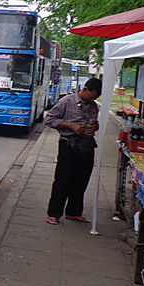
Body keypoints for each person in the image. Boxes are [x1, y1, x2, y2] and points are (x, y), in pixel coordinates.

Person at [44, 77, 102, 224]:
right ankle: (54, 213)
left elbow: (95, 123)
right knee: (63, 179)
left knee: (81, 180)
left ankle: (74, 212)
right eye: (91, 96)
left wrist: (95, 127)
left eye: (95, 98)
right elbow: (49, 119)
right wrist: (70, 125)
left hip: (86, 145)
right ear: (85, 89)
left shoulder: (94, 106)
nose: (92, 100)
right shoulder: (67, 101)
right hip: (68, 144)